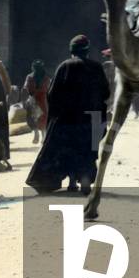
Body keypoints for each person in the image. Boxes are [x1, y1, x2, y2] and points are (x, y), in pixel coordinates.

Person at [26, 35, 111, 195]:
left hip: (69, 119)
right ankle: (85, 181)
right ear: (87, 51)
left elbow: (52, 95)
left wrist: (58, 114)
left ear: (72, 51)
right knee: (88, 151)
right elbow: (106, 93)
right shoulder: (96, 67)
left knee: (70, 150)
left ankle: (72, 182)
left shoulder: (64, 67)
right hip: (92, 119)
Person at [22, 59, 50, 144]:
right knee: (43, 118)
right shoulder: (46, 78)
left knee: (32, 118)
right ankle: (43, 136)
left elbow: (25, 89)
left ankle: (36, 133)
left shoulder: (29, 77)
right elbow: (48, 88)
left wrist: (24, 100)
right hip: (43, 100)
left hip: (33, 100)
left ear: (33, 68)